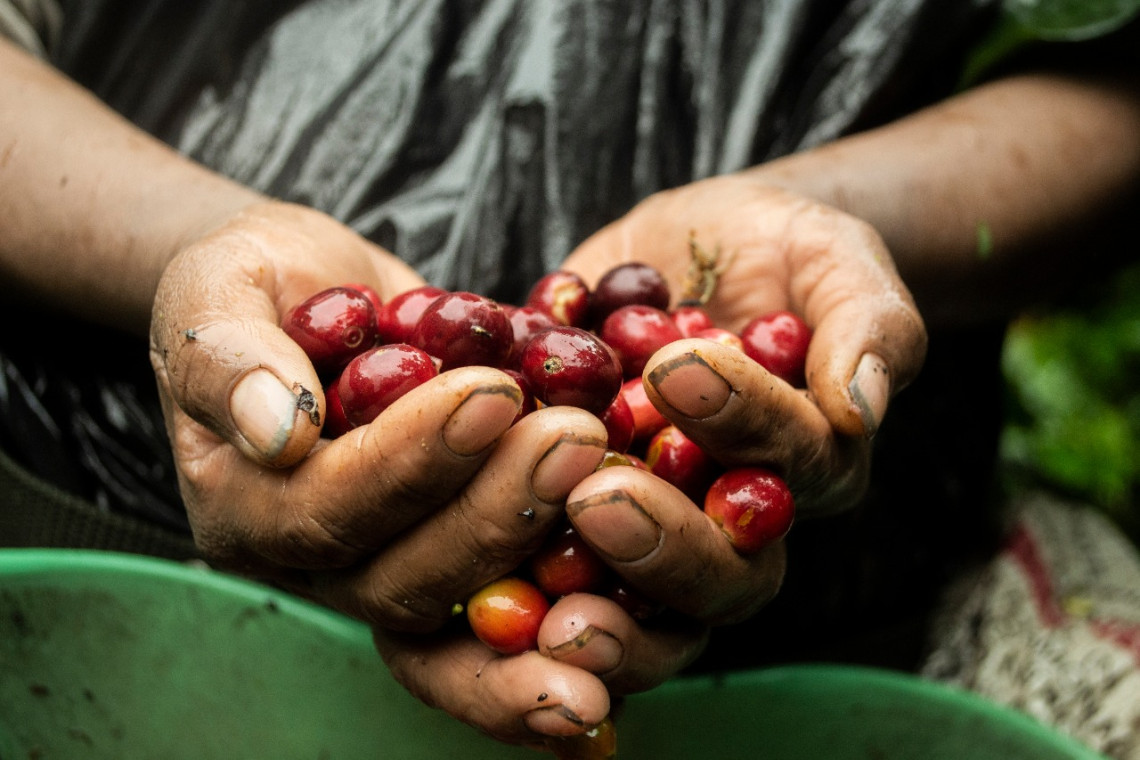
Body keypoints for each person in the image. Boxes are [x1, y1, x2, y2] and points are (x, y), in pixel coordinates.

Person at [1, 0, 1138, 752]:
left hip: (835, 626)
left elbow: (1115, 76)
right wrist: (204, 243)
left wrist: (839, 220)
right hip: (117, 548)